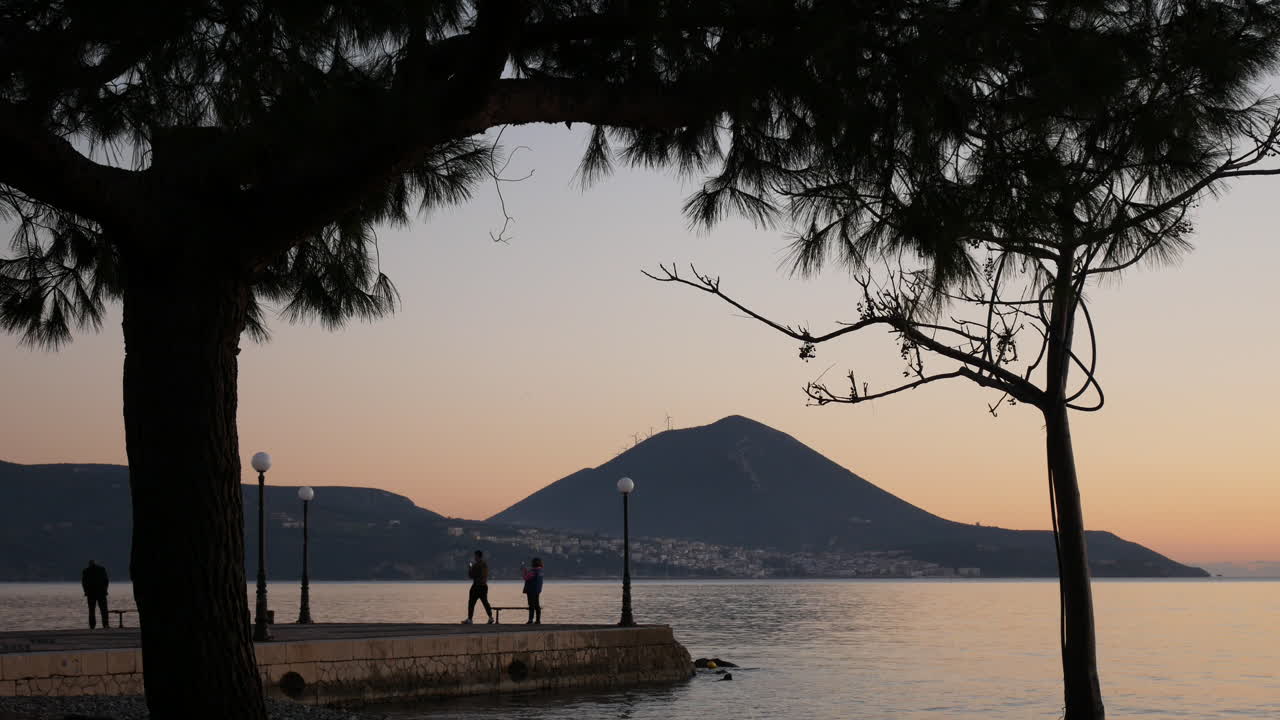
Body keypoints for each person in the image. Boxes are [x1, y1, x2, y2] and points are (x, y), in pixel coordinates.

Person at [462, 550, 493, 624]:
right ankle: (490, 617)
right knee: (485, 602)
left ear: (477, 556)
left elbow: (471, 575)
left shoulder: (476, 565)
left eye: (475, 556)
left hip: (476, 586)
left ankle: (470, 619)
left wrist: (470, 568)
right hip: (484, 586)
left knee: (471, 603)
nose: (474, 557)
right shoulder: (485, 565)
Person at [81, 560, 109, 629]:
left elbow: (84, 583)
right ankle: (105, 624)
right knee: (104, 610)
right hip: (101, 592)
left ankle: (92, 626)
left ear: (89, 564)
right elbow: (106, 580)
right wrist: (105, 590)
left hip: (91, 593)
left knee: (91, 610)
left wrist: (85, 592)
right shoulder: (102, 569)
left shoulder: (86, 571)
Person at [521, 557, 544, 624]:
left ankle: (530, 620)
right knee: (537, 605)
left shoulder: (533, 571)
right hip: (537, 590)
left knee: (531, 605)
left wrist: (524, 571)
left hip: (531, 590)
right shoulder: (540, 571)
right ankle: (538, 620)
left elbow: (526, 577)